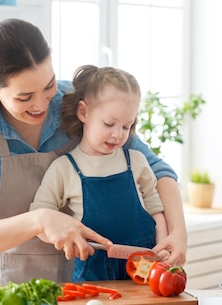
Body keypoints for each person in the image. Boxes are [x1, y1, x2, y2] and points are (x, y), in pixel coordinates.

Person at [0, 18, 187, 286]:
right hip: (7, 290)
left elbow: (157, 171)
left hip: (85, 285)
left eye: (48, 85)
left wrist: (179, 234)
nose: (41, 104)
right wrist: (39, 220)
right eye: (24, 97)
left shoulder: (76, 101)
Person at [30, 65, 168, 281]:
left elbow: (155, 207)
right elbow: (39, 217)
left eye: (126, 126)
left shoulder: (136, 162)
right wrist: (66, 238)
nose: (117, 134)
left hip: (145, 268)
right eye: (109, 123)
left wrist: (162, 247)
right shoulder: (64, 169)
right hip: (94, 275)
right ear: (84, 112)